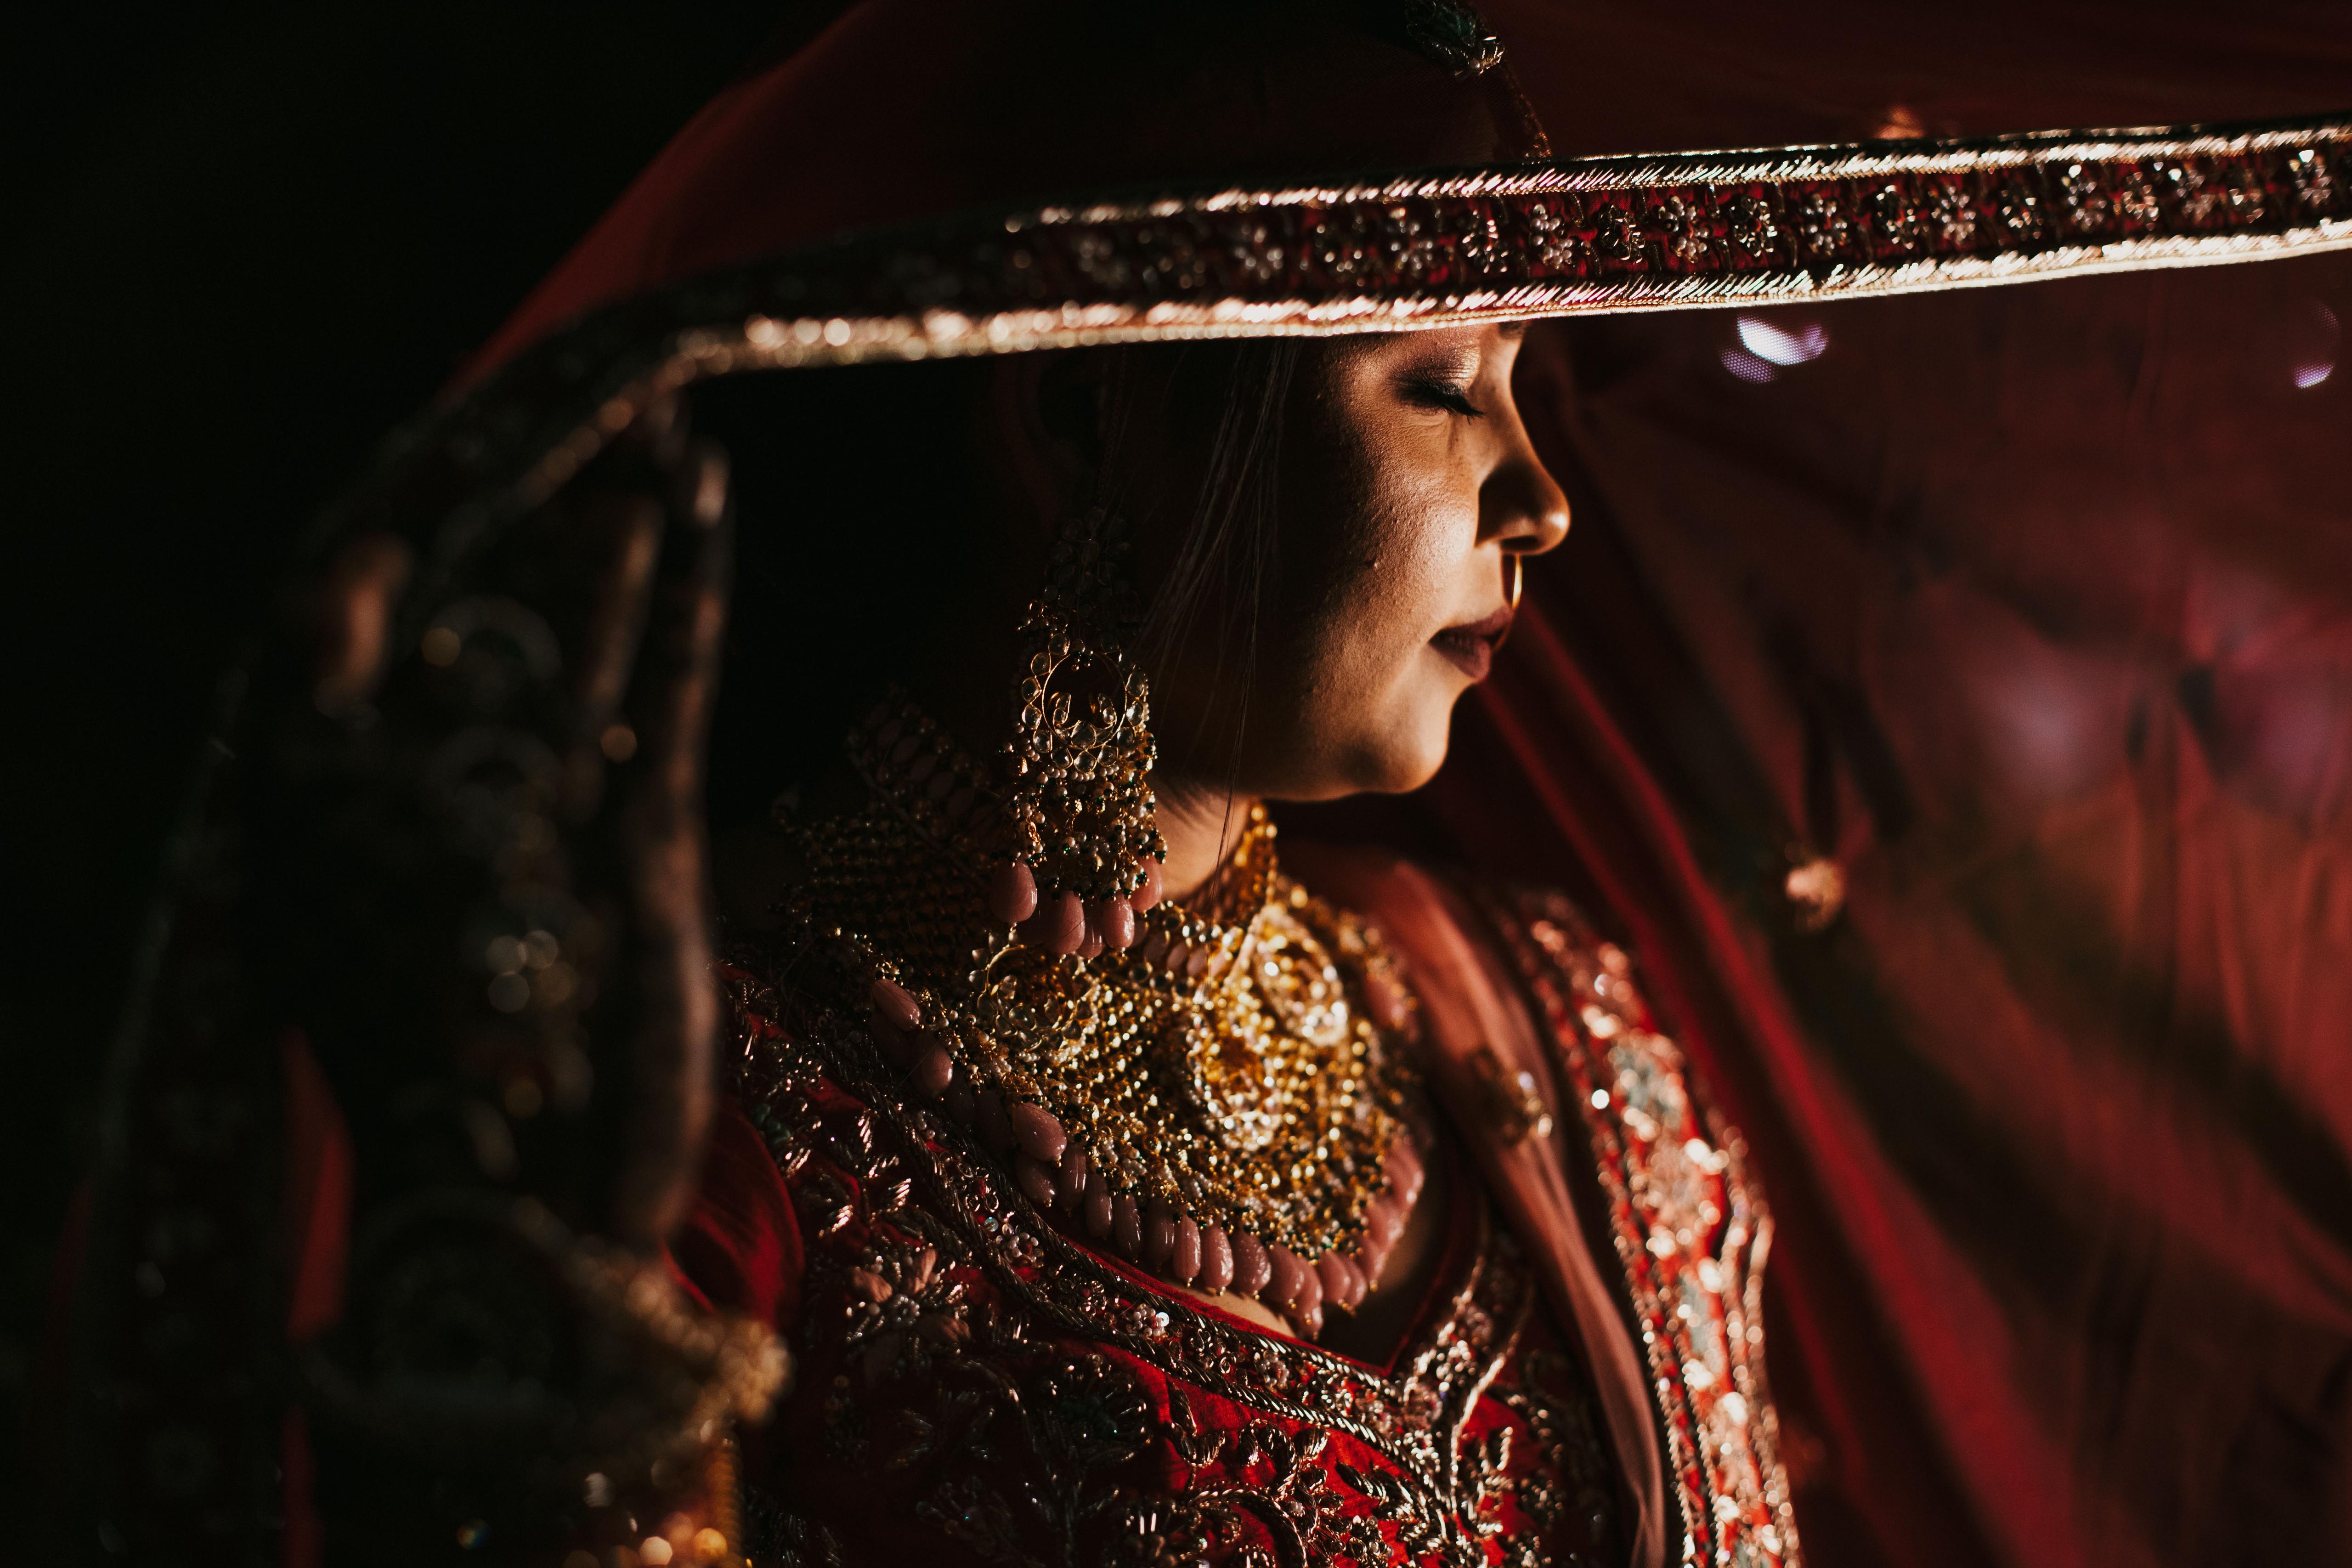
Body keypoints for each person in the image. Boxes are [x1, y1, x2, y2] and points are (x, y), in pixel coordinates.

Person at [61, 4, 2352, 1565]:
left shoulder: (1546, 1021)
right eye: (1436, 386)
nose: (1538, 496)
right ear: (1077, 422)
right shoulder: (702, 1113)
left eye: (1528, 384)